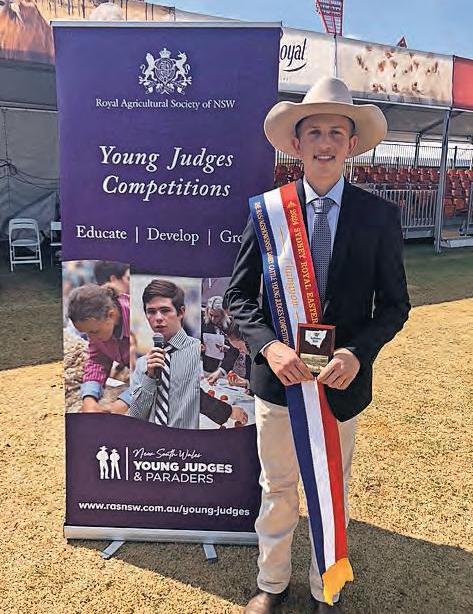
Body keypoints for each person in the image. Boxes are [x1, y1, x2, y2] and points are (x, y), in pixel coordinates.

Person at [225, 77, 410, 613]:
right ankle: (272, 583)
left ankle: (325, 585)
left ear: (351, 144)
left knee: (332, 490)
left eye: (335, 132)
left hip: (340, 383)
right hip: (278, 383)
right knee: (277, 487)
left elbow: (394, 306)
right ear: (296, 144)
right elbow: (239, 297)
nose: (324, 143)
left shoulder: (379, 215)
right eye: (314, 132)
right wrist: (268, 347)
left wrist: (356, 353)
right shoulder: (267, 211)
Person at [128, 279, 248, 428]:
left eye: (165, 310)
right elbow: (135, 415)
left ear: (181, 312)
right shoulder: (144, 363)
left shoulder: (192, 349)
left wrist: (227, 411)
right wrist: (150, 377)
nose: (158, 318)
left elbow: (195, 396)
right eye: (151, 311)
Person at [68, 283, 131, 415]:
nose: (91, 338)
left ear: (110, 315)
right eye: (86, 333)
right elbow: (97, 360)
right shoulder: (98, 330)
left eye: (94, 332)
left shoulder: (138, 319)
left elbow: (157, 370)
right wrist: (89, 398)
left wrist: (127, 399)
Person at [201, 295, 239, 384]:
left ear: (223, 314)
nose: (213, 319)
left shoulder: (232, 325)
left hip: (228, 368)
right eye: (211, 315)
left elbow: (234, 350)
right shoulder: (204, 322)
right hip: (208, 366)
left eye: (217, 316)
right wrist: (200, 346)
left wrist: (221, 370)